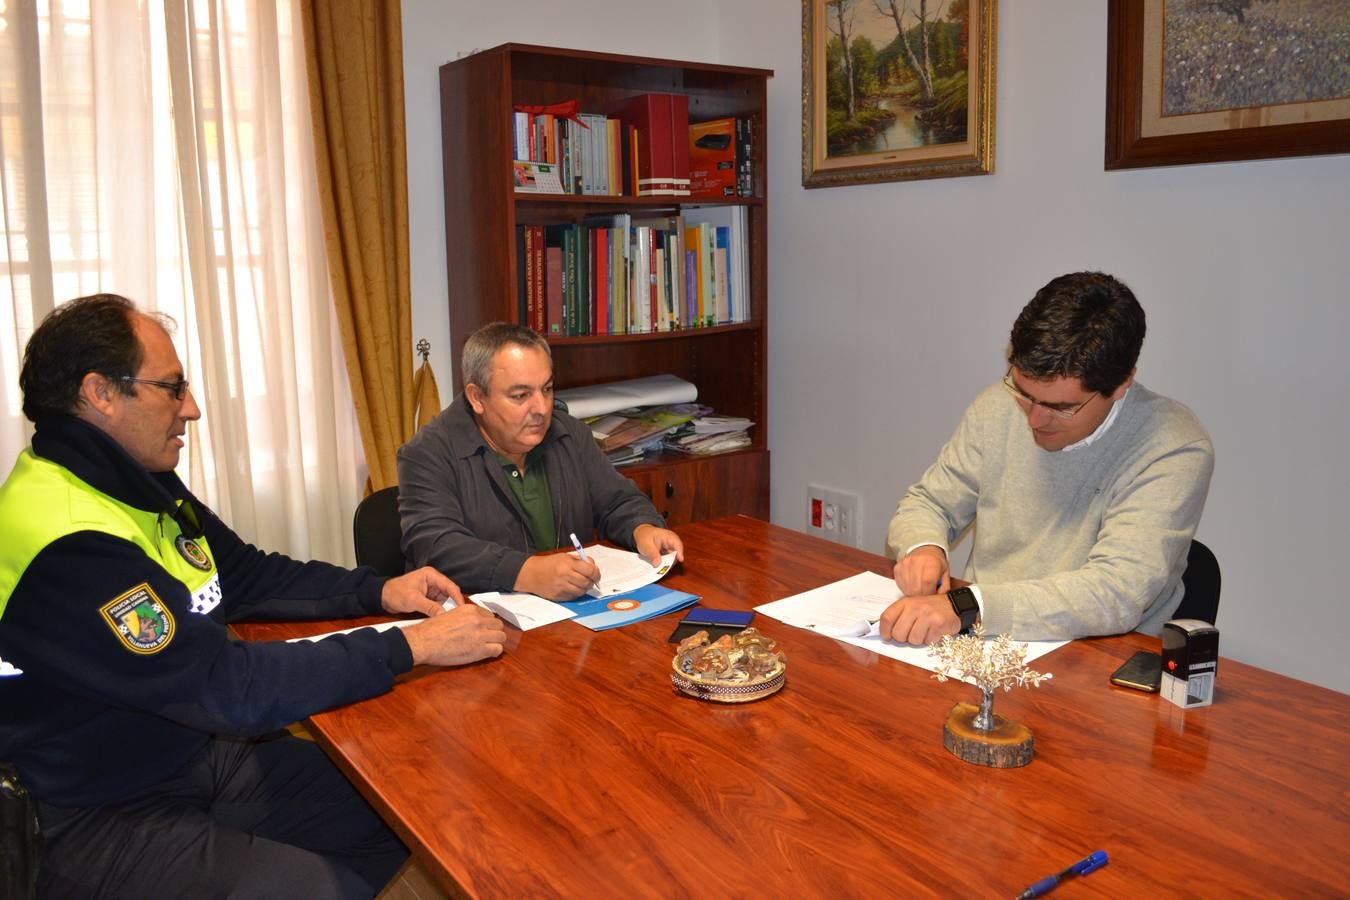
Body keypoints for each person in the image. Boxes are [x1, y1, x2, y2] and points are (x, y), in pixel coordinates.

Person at [0, 294, 508, 899]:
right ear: (100, 394)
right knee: (322, 889)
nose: (191, 408)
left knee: (403, 802)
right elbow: (230, 689)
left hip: (185, 755)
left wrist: (380, 589)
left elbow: (247, 575)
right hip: (93, 809)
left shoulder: (134, 478)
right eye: (171, 387)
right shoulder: (64, 540)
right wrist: (409, 645)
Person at [880, 272, 1214, 645]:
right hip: (982, 641)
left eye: (1061, 407)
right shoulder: (998, 407)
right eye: (1024, 392)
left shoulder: (1173, 445)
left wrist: (968, 607)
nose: (1034, 419)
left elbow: (1116, 592)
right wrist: (923, 546)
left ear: (1122, 384)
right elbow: (929, 503)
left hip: (1100, 657)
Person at [397, 322, 684, 599]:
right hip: (483, 624)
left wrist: (643, 528)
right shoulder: (427, 454)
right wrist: (527, 572)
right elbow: (436, 545)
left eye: (546, 389)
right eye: (521, 395)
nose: (541, 408)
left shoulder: (568, 433)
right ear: (477, 398)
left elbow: (618, 501)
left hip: (576, 613)